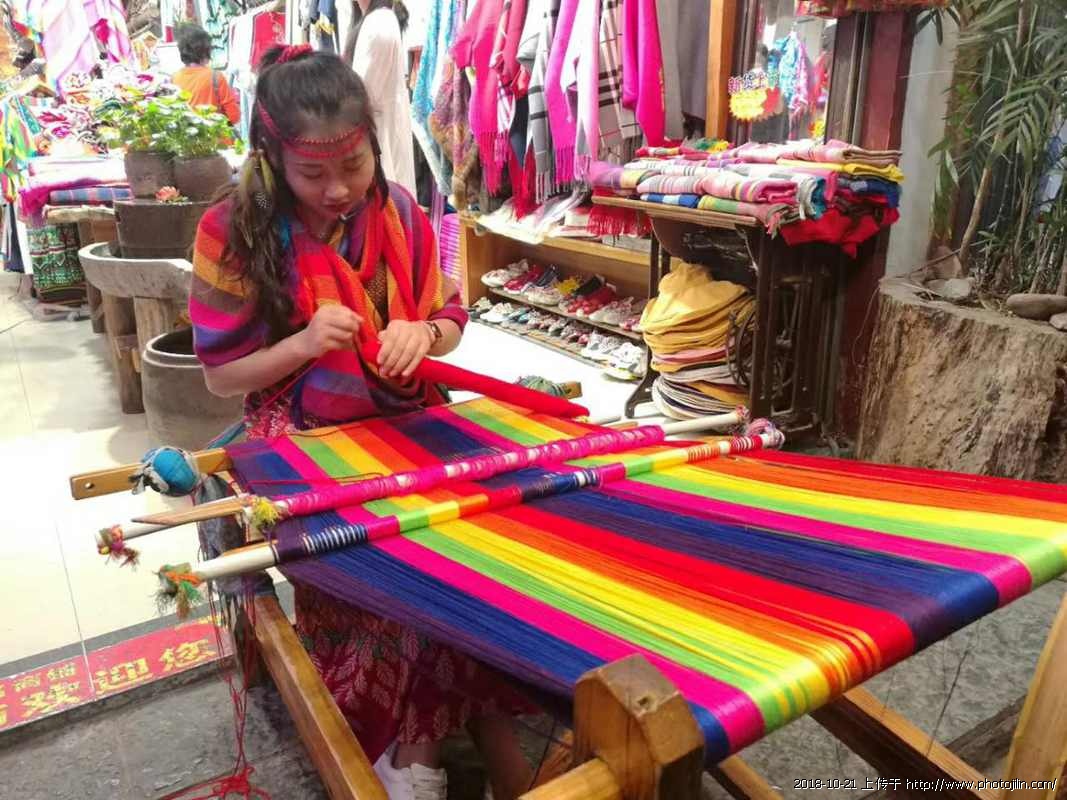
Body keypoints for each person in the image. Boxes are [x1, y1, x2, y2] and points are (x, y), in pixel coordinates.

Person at [189, 46, 534, 800]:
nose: (339, 189)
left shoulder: (400, 212)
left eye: (353, 165)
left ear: (374, 145)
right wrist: (303, 344)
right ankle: (424, 753)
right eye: (312, 173)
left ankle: (424, 751)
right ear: (271, 157)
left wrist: (426, 335)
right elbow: (221, 376)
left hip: (406, 414)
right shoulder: (233, 231)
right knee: (395, 565)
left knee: (478, 545)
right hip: (302, 427)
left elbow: (450, 319)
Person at [348, 0, 417, 194]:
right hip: (376, 140)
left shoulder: (379, 23)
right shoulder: (375, 20)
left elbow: (362, 97)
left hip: (377, 143)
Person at [172, 23, 241, 125]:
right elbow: (234, 116)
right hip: (215, 133)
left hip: (188, 134)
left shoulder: (174, 78)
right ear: (206, 49)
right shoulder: (216, 77)